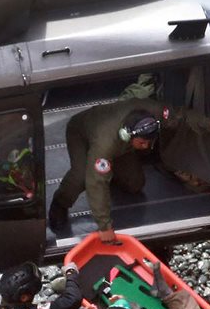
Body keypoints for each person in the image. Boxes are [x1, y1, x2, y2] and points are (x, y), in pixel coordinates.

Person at [49, 99, 182, 242]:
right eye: (142, 143)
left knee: (135, 184)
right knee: (81, 176)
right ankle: (59, 203)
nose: (145, 147)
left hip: (123, 146)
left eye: (149, 143)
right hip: (81, 132)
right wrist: (104, 226)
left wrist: (207, 123)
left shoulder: (157, 112)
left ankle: (112, 174)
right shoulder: (105, 144)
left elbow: (182, 115)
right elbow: (96, 182)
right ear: (128, 135)